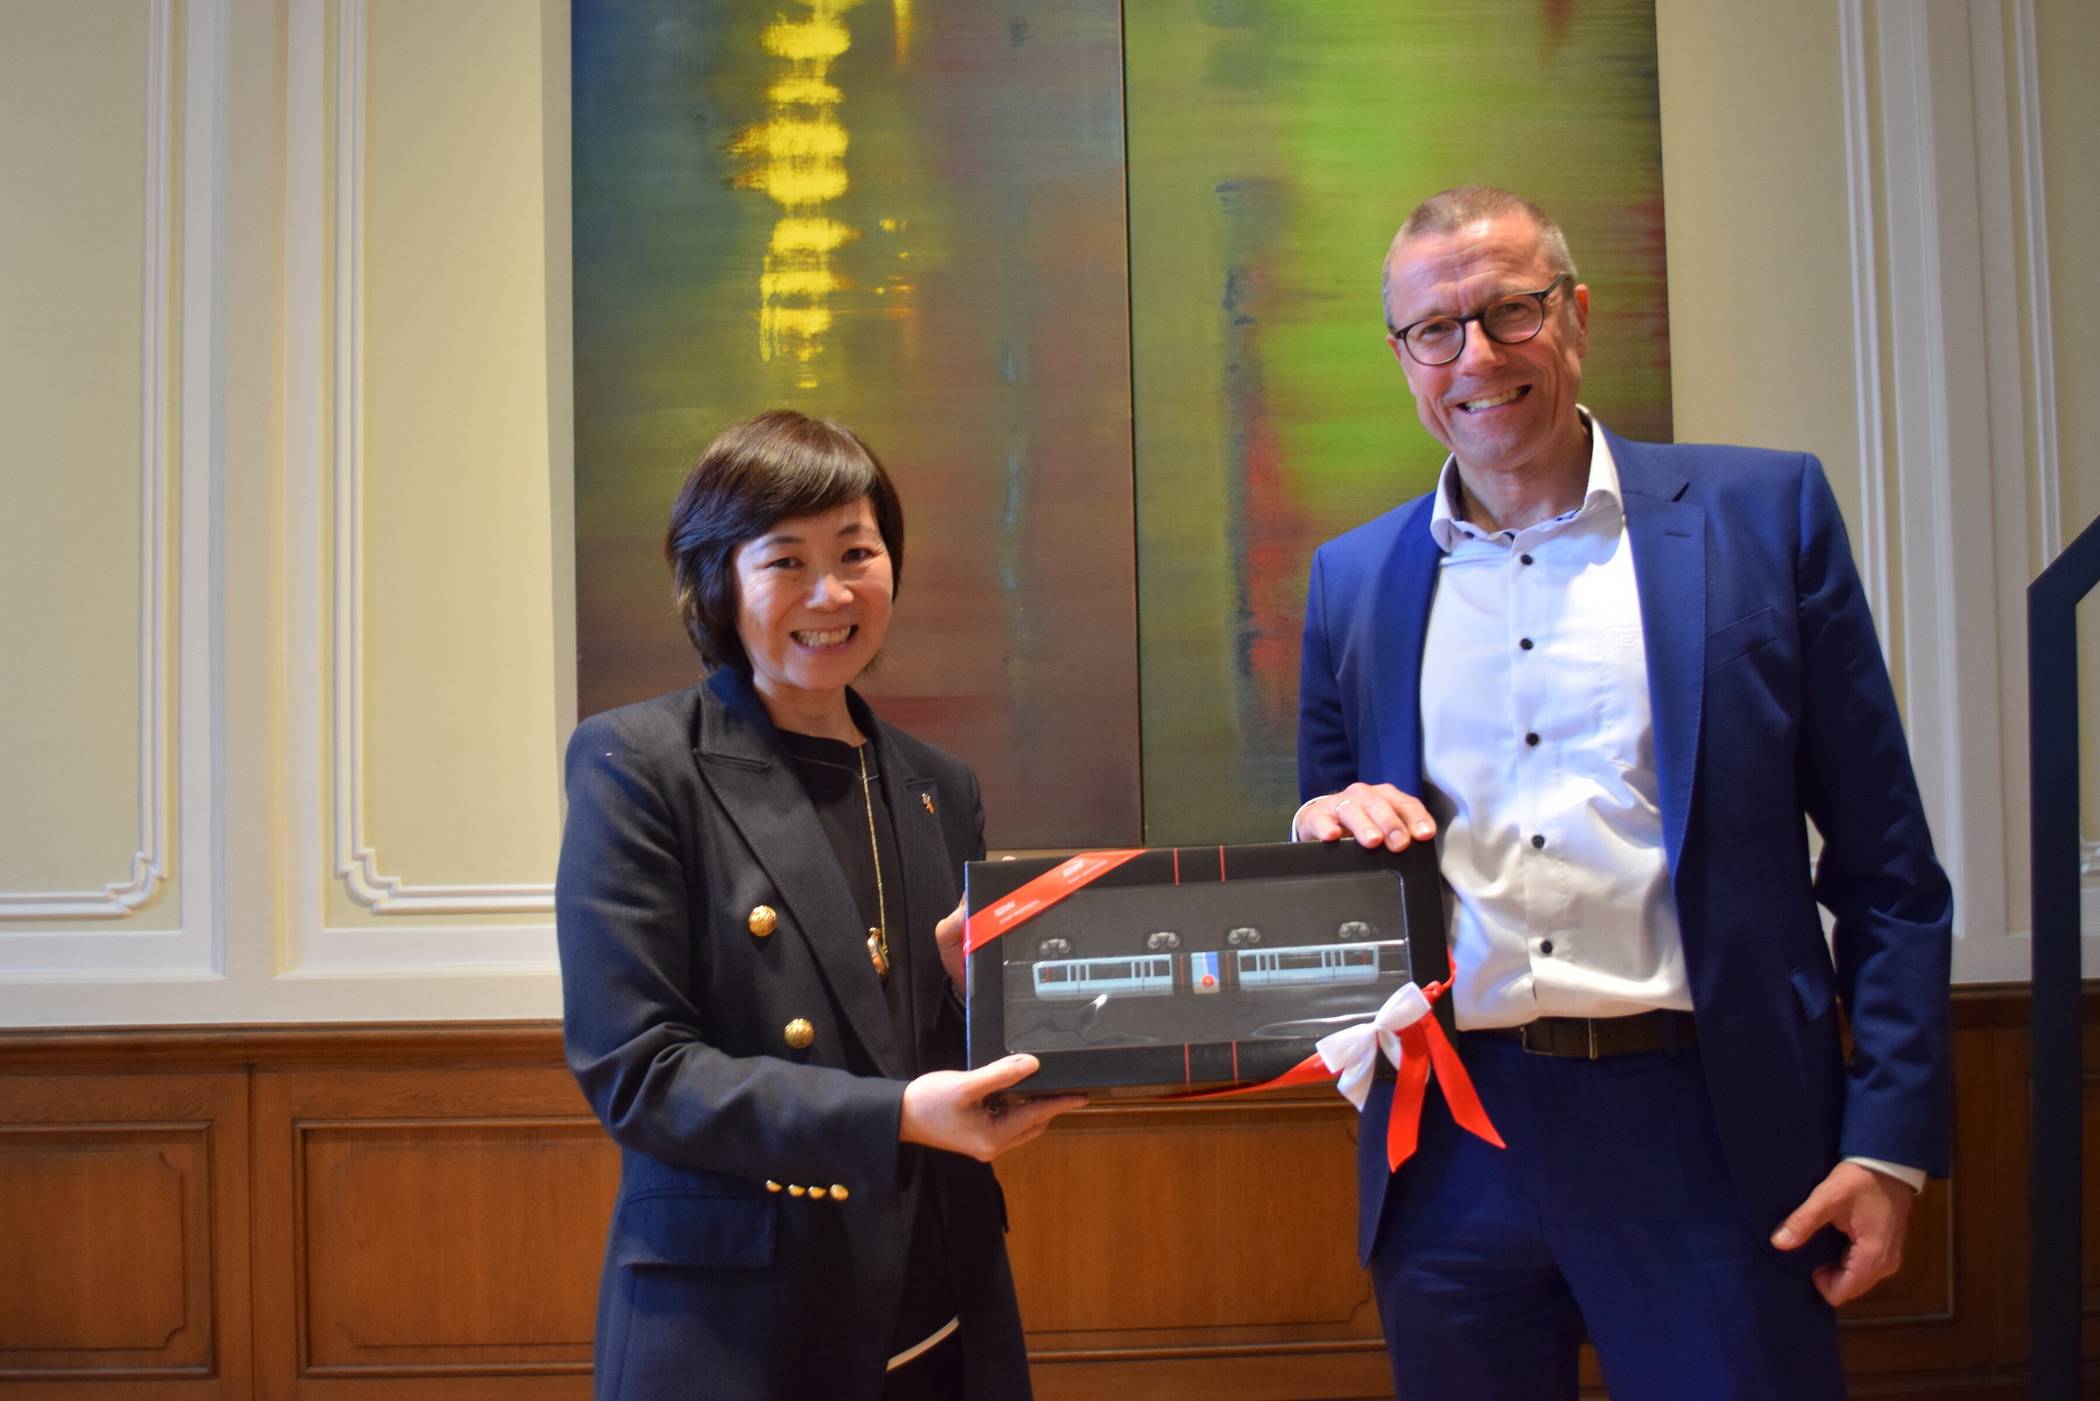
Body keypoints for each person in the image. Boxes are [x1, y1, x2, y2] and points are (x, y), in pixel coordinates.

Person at [1293, 187, 1952, 1400]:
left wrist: (1890, 1142)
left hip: (1711, 1130)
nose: (1475, 356)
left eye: (1511, 311)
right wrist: (1318, 832)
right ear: (1402, 357)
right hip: (1450, 1148)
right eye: (1435, 330)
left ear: (1577, 315)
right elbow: (1337, 858)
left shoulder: (1764, 518)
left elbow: (1889, 871)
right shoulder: (1353, 580)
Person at [557, 409, 1080, 1401]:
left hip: (941, 1299)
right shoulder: (640, 764)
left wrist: (976, 1002)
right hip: (741, 1322)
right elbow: (638, 1073)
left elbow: (921, 1046)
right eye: (786, 561)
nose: (830, 593)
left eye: (856, 553)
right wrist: (895, 1116)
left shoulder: (937, 786)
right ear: (720, 581)